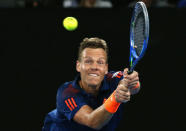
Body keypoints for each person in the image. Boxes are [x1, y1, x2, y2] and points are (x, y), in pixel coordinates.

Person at [42, 37, 141, 131]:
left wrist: (132, 83)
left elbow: (131, 85)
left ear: (106, 68)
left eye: (100, 62)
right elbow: (92, 122)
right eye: (88, 61)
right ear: (78, 66)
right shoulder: (66, 92)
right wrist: (115, 98)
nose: (94, 67)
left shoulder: (112, 79)